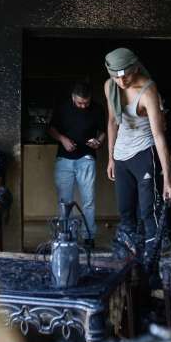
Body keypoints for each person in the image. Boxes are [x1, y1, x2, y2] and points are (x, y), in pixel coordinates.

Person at [103, 47, 171, 268]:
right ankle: (130, 262)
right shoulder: (110, 86)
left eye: (126, 76)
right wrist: (111, 158)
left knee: (147, 211)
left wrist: (167, 179)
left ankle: (153, 263)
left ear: (135, 68)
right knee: (125, 210)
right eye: (116, 77)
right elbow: (112, 122)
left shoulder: (147, 90)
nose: (121, 81)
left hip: (144, 152)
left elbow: (158, 135)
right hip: (121, 155)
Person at [47, 80, 105, 243]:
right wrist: (63, 139)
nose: (83, 106)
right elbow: (51, 129)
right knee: (64, 201)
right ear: (73, 98)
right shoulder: (62, 107)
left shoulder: (97, 108)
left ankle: (89, 236)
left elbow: (103, 131)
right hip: (64, 159)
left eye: (86, 103)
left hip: (87, 159)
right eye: (80, 103)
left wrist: (99, 142)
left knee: (88, 200)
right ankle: (66, 235)